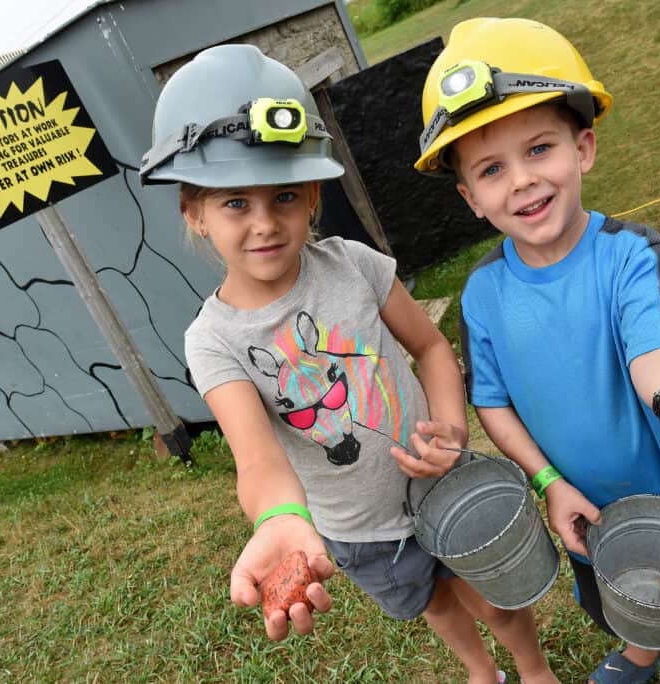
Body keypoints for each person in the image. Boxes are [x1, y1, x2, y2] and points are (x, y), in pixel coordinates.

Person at [413, 17, 660, 684]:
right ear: (471, 200)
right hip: (585, 504)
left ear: (585, 148)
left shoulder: (633, 256)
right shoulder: (481, 296)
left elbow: (655, 354)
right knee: (617, 601)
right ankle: (639, 656)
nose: (520, 181)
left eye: (539, 149)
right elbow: (492, 401)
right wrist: (550, 484)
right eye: (491, 169)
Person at [140, 44, 559, 684]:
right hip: (358, 530)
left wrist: (450, 426)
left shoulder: (354, 264)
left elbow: (431, 348)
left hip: (441, 483)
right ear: (193, 213)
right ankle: (481, 672)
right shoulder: (212, 341)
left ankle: (533, 672)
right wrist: (281, 518)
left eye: (283, 196)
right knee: (433, 603)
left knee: (498, 601)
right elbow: (257, 459)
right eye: (233, 203)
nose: (263, 223)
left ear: (311, 194)